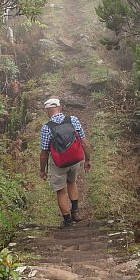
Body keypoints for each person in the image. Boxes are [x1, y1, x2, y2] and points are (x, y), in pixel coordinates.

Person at [38, 97, 92, 227]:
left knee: (61, 190)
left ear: (47, 111)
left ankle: (67, 221)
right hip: (75, 160)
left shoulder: (47, 128)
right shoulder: (73, 120)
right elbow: (84, 143)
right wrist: (88, 160)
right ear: (60, 108)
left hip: (59, 163)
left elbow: (44, 153)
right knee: (72, 182)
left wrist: (42, 170)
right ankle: (76, 212)